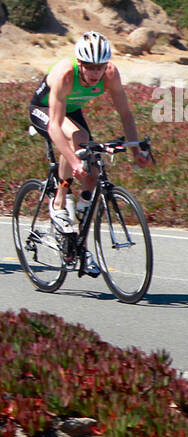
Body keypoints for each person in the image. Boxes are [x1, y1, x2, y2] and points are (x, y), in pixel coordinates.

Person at [28, 31, 151, 275]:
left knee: (93, 174)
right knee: (78, 139)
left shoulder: (111, 74)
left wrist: (135, 148)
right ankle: (59, 200)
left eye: (100, 67)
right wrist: (73, 161)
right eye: (90, 67)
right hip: (44, 110)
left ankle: (79, 246)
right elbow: (54, 125)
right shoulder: (65, 74)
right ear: (80, 63)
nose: (95, 73)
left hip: (71, 112)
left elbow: (125, 114)